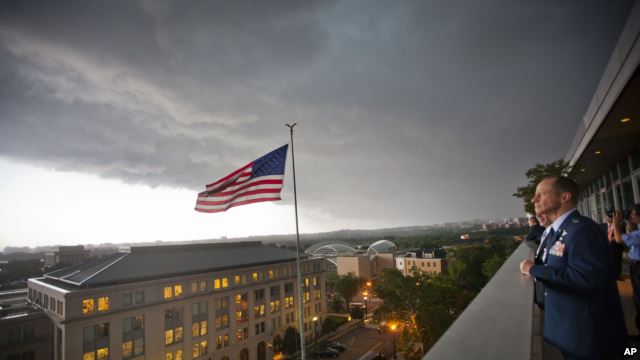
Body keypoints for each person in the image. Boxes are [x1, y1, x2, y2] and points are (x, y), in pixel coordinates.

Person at [519, 176, 627, 360]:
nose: (533, 200)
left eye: (541, 194)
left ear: (565, 197)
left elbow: (586, 278)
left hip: (590, 337)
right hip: (573, 332)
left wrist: (533, 270)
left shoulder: (582, 230)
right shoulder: (559, 231)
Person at [614, 204, 640, 334]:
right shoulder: (636, 231)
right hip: (635, 265)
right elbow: (631, 231)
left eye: (633, 214)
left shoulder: (638, 234)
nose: (631, 216)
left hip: (638, 267)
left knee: (638, 296)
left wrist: (616, 223)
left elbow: (619, 239)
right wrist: (630, 222)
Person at [533, 213, 552, 309]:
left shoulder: (557, 232)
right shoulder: (545, 232)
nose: (539, 216)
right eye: (537, 214)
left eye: (544, 213)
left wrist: (532, 269)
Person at [606, 210, 624, 280]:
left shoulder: (619, 225)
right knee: (611, 261)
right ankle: (614, 274)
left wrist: (613, 238)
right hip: (610, 246)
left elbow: (622, 235)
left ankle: (617, 275)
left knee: (617, 260)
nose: (607, 219)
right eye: (606, 217)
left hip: (617, 246)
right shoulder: (607, 225)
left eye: (608, 217)